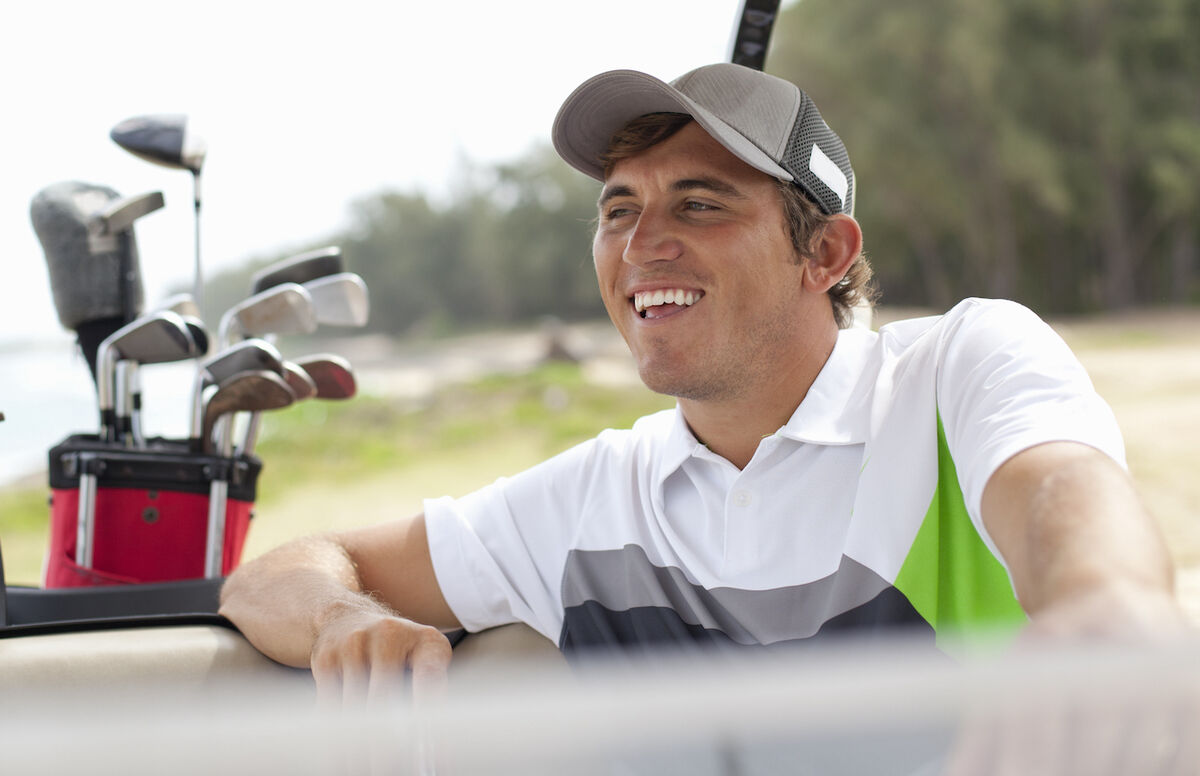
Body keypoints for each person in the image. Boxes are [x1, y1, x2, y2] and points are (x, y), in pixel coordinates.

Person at [220, 62, 1187, 702]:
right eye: (619, 210)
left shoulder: (958, 369)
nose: (641, 245)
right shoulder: (593, 502)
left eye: (700, 202)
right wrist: (347, 618)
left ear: (825, 254)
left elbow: (1062, 487)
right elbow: (278, 575)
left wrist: (1108, 597)